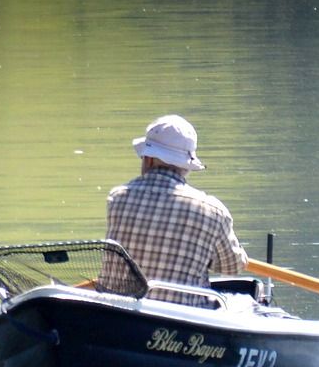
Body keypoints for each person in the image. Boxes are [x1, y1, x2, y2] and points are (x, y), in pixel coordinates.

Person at [101, 114, 248, 306]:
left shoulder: (117, 198)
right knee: (245, 303)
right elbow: (232, 266)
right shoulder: (213, 211)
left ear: (149, 159)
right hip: (182, 318)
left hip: (119, 312)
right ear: (186, 165)